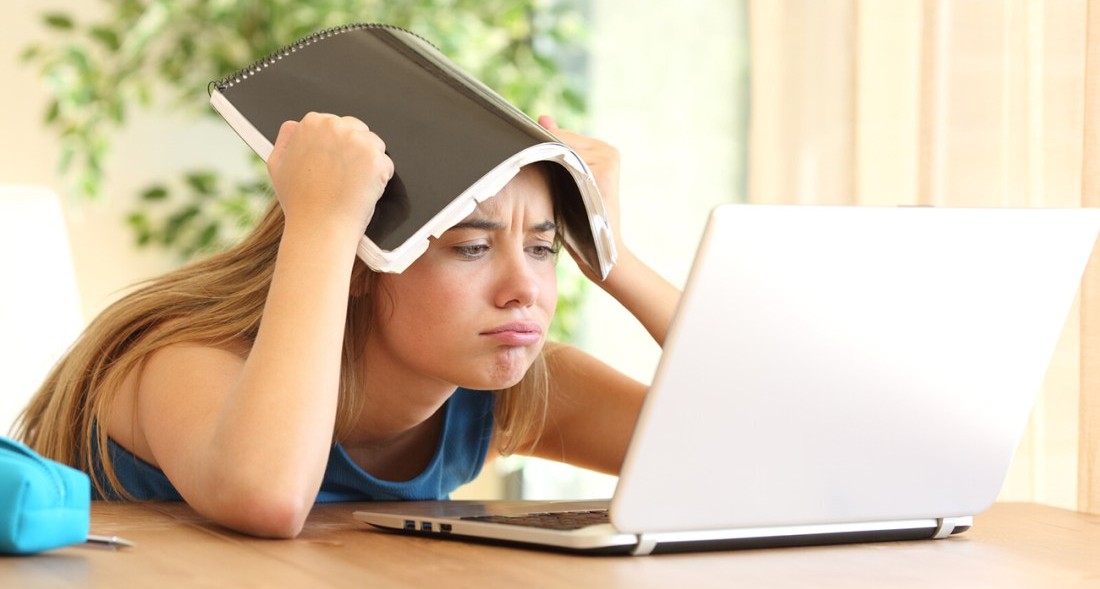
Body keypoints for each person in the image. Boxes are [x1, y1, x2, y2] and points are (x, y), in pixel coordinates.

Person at [16, 112, 680, 539]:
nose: (525, 291)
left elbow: (754, 455)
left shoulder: (510, 381)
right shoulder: (183, 356)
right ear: (364, 260)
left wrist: (617, 259)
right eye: (472, 248)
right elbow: (266, 497)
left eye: (544, 248)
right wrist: (324, 222)